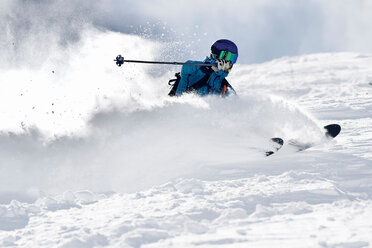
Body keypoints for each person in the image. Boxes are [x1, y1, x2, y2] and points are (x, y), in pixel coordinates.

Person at [169, 39, 238, 97]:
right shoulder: (198, 70)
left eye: (233, 58)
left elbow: (235, 102)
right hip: (181, 109)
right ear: (216, 55)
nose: (230, 62)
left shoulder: (224, 86)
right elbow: (186, 68)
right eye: (227, 56)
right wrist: (205, 68)